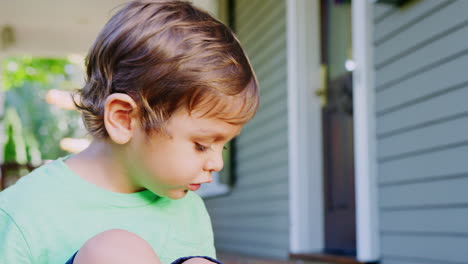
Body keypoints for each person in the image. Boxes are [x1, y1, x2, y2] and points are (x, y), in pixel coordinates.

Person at [0, 0, 259, 263]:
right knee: (114, 253)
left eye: (223, 145)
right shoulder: (25, 211)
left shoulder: (189, 209)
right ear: (124, 119)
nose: (217, 163)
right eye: (202, 144)